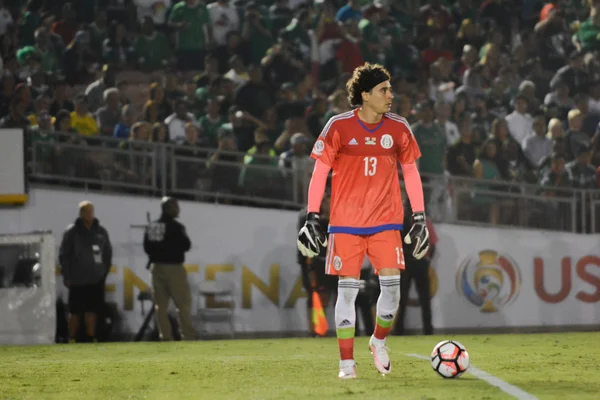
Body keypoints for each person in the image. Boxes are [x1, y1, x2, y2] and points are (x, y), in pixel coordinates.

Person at [297, 63, 430, 379]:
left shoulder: (399, 128)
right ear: (365, 95)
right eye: (384, 90)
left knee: (393, 292)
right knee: (346, 293)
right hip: (345, 224)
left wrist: (420, 217)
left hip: (386, 222)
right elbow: (319, 173)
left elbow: (410, 171)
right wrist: (313, 216)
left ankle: (378, 341)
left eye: (390, 89)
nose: (390, 96)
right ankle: (346, 364)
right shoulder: (338, 126)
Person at [59, 201, 112, 343]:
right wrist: (67, 275)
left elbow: (107, 254)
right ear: (80, 213)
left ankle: (90, 337)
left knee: (92, 310)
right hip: (77, 279)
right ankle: (71, 338)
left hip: (96, 279)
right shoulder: (72, 232)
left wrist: (103, 273)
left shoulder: (101, 232)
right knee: (74, 311)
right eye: (85, 211)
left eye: (91, 211)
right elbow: (64, 255)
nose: (89, 214)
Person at [143, 197, 196, 341]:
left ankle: (165, 336)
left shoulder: (153, 226)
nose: (178, 210)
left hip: (156, 268)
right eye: (176, 207)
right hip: (174, 269)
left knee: (160, 306)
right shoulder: (177, 227)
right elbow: (186, 245)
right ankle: (188, 335)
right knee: (182, 304)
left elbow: (147, 248)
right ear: (170, 208)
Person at [296, 192, 337, 336]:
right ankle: (313, 329)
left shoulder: (334, 216)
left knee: (332, 296)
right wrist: (308, 264)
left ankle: (325, 328)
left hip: (330, 261)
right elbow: (306, 240)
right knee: (314, 295)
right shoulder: (307, 216)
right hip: (312, 262)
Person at [395, 202, 439, 336]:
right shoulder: (424, 222)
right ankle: (427, 329)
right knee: (421, 298)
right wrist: (427, 259)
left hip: (410, 262)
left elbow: (432, 243)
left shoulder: (402, 222)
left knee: (404, 298)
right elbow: (432, 243)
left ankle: (400, 330)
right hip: (417, 262)